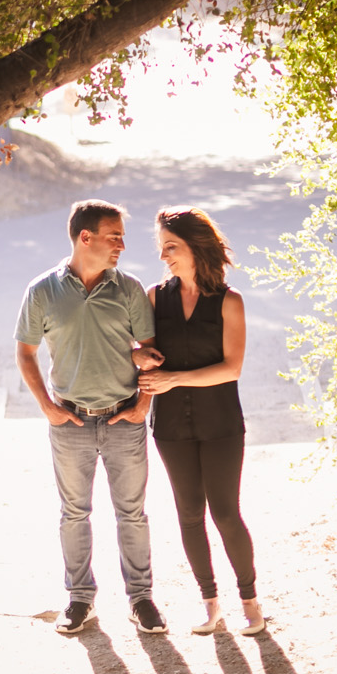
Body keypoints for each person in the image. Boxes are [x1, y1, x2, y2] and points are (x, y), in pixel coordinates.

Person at [14, 199, 169, 636]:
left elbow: (149, 352)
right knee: (74, 514)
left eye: (121, 236)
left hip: (124, 420)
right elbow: (25, 352)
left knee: (132, 514)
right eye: (113, 235)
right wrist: (47, 406)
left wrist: (143, 406)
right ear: (86, 238)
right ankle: (80, 599)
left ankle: (141, 599)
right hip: (71, 423)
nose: (122, 243)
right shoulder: (42, 291)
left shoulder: (129, 289)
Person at [137, 206, 265, 636]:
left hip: (221, 425)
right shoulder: (155, 298)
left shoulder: (230, 302)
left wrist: (175, 377)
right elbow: (144, 356)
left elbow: (231, 368)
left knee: (226, 514)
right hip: (171, 428)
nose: (164, 257)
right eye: (161, 248)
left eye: (170, 247)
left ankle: (249, 601)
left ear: (196, 247)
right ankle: (210, 604)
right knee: (189, 514)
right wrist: (141, 358)